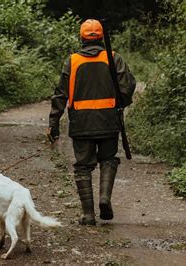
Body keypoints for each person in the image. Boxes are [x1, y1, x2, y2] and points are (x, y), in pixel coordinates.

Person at [47, 19, 136, 225]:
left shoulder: (72, 61)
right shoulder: (114, 58)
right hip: (108, 121)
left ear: (82, 38)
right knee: (108, 159)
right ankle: (104, 199)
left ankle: (88, 214)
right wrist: (120, 104)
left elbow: (60, 94)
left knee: (82, 167)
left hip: (81, 123)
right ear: (102, 37)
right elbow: (128, 86)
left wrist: (53, 123)